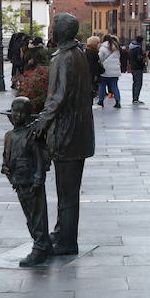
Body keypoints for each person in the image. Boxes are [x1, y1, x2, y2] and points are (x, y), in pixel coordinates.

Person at [30, 13, 94, 256]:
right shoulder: (78, 54)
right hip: (79, 131)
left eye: (54, 27)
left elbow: (57, 96)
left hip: (67, 133)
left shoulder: (63, 58)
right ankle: (61, 230)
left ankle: (67, 241)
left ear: (61, 32)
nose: (51, 30)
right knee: (68, 190)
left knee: (66, 192)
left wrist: (41, 122)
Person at [1, 96, 51, 268]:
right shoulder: (9, 136)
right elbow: (6, 156)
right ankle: (43, 243)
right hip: (19, 182)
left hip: (32, 182)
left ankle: (40, 247)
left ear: (28, 115)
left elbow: (39, 159)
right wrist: (6, 168)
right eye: (15, 111)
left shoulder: (32, 136)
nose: (18, 115)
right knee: (30, 217)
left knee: (37, 216)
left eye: (22, 112)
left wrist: (38, 179)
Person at [97, 36, 123, 108]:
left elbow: (99, 58)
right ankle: (117, 102)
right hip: (115, 71)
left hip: (105, 70)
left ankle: (101, 101)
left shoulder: (103, 48)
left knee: (102, 86)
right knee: (114, 86)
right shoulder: (116, 48)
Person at [126, 39, 147, 105]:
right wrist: (143, 56)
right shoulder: (138, 48)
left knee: (135, 83)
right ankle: (136, 99)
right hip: (138, 68)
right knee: (138, 83)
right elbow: (139, 58)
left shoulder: (131, 49)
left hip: (133, 68)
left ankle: (134, 98)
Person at [84, 36, 103, 107]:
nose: (100, 44)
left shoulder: (89, 52)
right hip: (92, 74)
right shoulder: (92, 53)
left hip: (91, 74)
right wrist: (95, 75)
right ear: (94, 44)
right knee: (91, 90)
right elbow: (92, 65)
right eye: (98, 43)